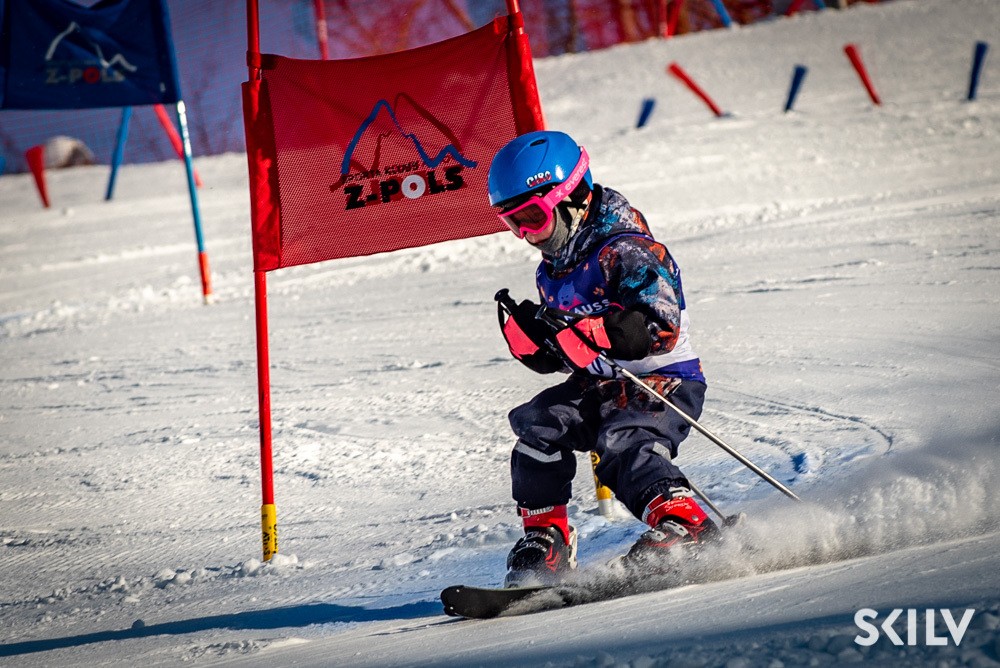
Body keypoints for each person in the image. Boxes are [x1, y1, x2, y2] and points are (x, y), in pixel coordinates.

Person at [487, 130, 717, 587]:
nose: (528, 235)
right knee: (538, 425)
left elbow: (660, 325)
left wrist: (594, 333)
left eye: (533, 218)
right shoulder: (551, 269)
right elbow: (572, 353)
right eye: (515, 223)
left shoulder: (626, 250)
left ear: (572, 196)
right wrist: (542, 344)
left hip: (661, 380)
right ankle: (547, 539)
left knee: (623, 441)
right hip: (601, 382)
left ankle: (686, 524)